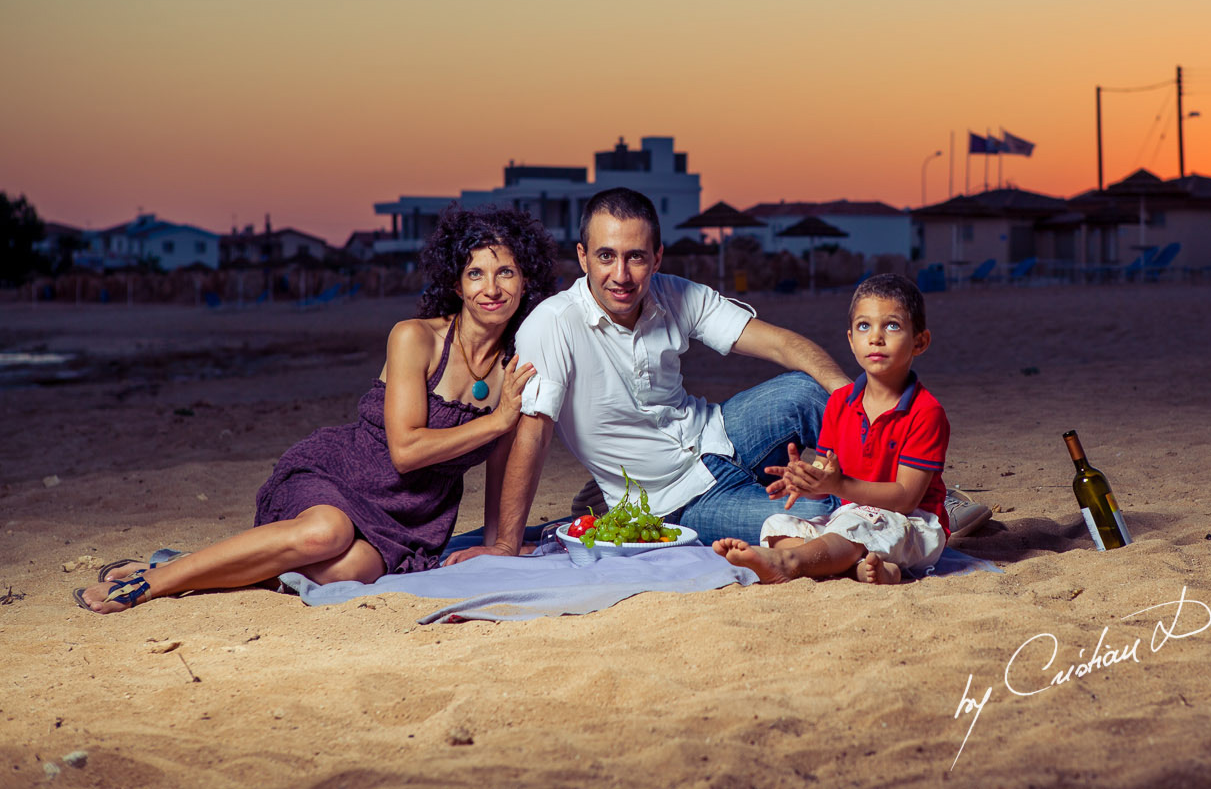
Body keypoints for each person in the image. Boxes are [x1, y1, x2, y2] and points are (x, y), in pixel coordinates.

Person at [73, 206, 555, 614]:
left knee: (348, 572)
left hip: (412, 523)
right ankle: (152, 584)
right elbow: (406, 450)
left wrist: (499, 546)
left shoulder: (514, 366)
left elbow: (500, 465)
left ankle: (188, 564)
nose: (491, 288)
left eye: (505, 272)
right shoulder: (415, 337)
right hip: (340, 478)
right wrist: (496, 420)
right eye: (476, 273)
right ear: (456, 282)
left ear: (525, 277)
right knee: (326, 532)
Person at [445, 187, 852, 562]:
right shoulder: (551, 324)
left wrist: (856, 399)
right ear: (583, 256)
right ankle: (878, 496)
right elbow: (533, 434)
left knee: (808, 389)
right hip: (675, 499)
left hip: (721, 433)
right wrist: (504, 544)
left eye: (635, 257)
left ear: (656, 257)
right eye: (606, 256)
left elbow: (782, 344)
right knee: (824, 513)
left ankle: (901, 466)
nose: (620, 275)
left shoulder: (677, 293)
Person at [713, 273, 949, 585]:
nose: (875, 337)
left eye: (892, 325)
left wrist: (840, 486)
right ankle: (858, 568)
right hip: (854, 513)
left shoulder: (925, 412)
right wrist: (808, 479)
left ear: (920, 342)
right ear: (851, 340)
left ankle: (789, 562)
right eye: (864, 326)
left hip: (913, 524)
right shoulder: (840, 402)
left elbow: (906, 497)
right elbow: (827, 469)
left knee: (853, 524)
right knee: (778, 524)